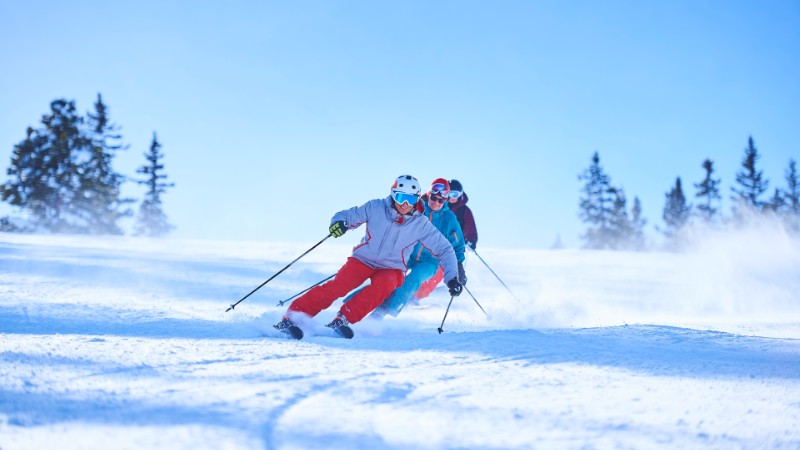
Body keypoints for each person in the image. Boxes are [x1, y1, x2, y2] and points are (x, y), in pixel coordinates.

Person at [274, 175, 463, 337]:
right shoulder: (376, 207)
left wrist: (452, 277)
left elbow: (445, 249)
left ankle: (344, 318)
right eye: (400, 197)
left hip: (392, 266)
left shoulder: (420, 223)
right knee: (338, 287)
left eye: (410, 200)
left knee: (386, 285)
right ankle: (293, 316)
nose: (404, 204)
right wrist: (340, 223)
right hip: (363, 260)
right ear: (393, 194)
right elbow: (347, 215)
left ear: (417, 200)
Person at [371, 178, 467, 318]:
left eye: (441, 200)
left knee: (413, 280)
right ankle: (354, 307)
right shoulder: (417, 207)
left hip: (430, 261)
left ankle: (383, 313)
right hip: (408, 252)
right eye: (434, 198)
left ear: (446, 200)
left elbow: (457, 245)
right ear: (429, 194)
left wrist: (458, 267)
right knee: (386, 275)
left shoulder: (449, 219)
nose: (436, 203)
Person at [447, 179, 478, 250]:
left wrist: (471, 241)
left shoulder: (464, 211)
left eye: (454, 194)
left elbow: (470, 227)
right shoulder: (438, 205)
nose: (451, 197)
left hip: (456, 246)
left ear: (460, 195)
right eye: (449, 194)